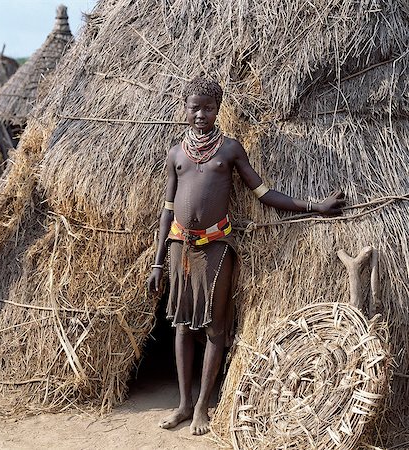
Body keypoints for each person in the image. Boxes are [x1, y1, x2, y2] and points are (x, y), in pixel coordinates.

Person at [147, 77, 345, 435]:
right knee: (179, 324)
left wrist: (315, 206)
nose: (201, 114)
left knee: (214, 326)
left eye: (208, 107)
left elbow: (264, 193)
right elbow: (166, 209)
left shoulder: (230, 150)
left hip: (217, 246)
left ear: (219, 108)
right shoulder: (176, 153)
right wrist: (158, 262)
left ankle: (203, 408)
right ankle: (183, 405)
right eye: (195, 107)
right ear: (185, 107)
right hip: (179, 247)